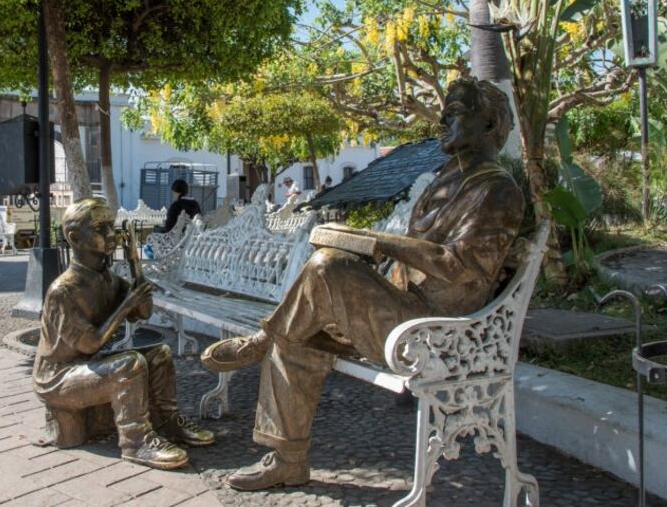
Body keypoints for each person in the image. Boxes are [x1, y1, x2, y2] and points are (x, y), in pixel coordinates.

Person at [199, 78, 524, 491]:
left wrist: (377, 240)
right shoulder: (447, 180)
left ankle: (263, 338)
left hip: (438, 331)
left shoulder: (497, 189)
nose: (442, 119)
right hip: (404, 311)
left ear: (490, 124)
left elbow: (460, 266)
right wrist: (367, 249)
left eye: (457, 111)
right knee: (299, 336)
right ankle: (288, 460)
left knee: (325, 268)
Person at [33, 197, 215, 470]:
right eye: (100, 229)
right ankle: (136, 441)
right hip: (58, 376)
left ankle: (167, 422)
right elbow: (90, 342)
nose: (111, 235)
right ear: (74, 237)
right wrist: (125, 304)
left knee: (159, 354)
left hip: (87, 365)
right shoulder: (64, 291)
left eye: (111, 227)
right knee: (129, 365)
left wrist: (135, 265)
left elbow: (143, 312)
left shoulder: (107, 279)